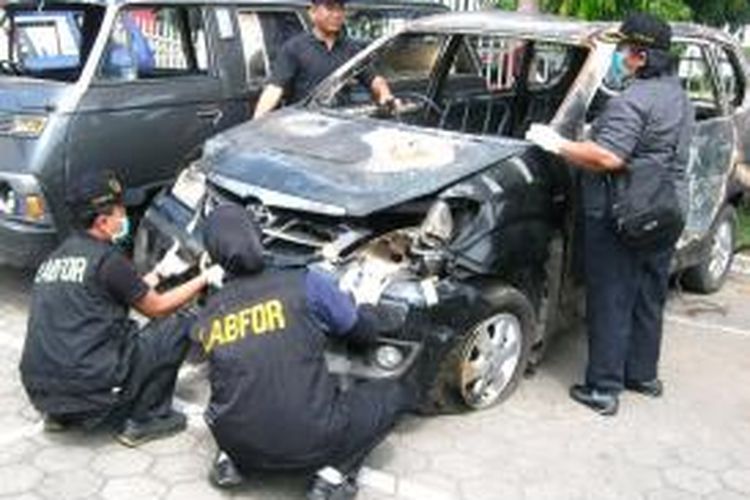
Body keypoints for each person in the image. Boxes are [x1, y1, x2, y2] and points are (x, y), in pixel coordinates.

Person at [525, 13, 693, 416]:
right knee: (648, 296)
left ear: (639, 55)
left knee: (612, 298)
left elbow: (608, 156)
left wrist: (558, 144)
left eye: (622, 50)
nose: (618, 56)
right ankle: (642, 376)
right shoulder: (677, 94)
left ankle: (602, 387)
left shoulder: (633, 100)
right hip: (665, 211)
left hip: (622, 215)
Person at [193, 204, 420, 500]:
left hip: (235, 440)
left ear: (213, 254)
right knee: (397, 393)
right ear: (257, 236)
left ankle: (230, 463)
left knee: (241, 381)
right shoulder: (305, 282)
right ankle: (331, 478)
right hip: (311, 442)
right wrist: (364, 300)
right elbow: (363, 334)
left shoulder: (210, 311)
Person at [19, 171, 223, 445]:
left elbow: (124, 289)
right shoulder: (108, 260)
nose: (124, 218)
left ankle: (61, 416)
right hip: (94, 391)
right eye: (120, 213)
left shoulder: (58, 256)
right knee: (179, 323)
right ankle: (145, 419)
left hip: (42, 393)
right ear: (103, 222)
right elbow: (157, 307)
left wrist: (161, 272)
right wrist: (204, 278)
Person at [253, 0, 396, 118]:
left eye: (340, 9)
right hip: (305, 124)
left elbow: (374, 79)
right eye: (329, 8)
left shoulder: (351, 49)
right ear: (312, 12)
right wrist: (256, 124)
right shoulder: (294, 48)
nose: (336, 14)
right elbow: (275, 88)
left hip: (343, 123)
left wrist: (385, 93)